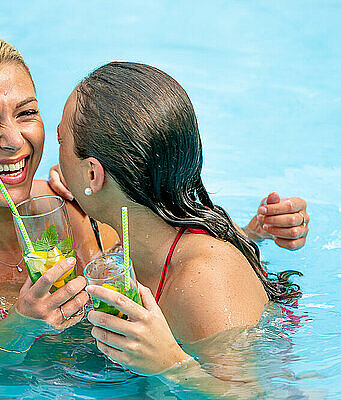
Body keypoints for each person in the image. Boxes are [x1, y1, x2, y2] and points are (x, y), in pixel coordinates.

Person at [0, 27, 309, 383]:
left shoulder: (81, 205)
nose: (14, 141)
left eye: (26, 113)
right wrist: (21, 325)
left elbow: (167, 249)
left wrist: (248, 236)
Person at [54, 61, 307, 396]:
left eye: (61, 141)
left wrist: (171, 364)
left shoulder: (204, 280)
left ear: (92, 174)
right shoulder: (133, 247)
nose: (56, 163)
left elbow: (249, 394)